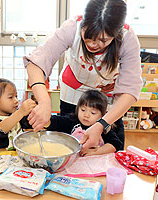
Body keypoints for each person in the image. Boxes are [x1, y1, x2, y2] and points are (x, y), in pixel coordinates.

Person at [23, 0, 142, 152]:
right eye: (89, 35)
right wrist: (44, 102)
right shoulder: (72, 27)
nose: (93, 44)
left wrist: (102, 124)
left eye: (103, 40)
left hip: (106, 96)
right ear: (83, 23)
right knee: (70, 144)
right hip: (73, 91)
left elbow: (130, 90)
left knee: (113, 147)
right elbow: (36, 63)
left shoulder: (127, 37)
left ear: (116, 34)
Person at [45, 90, 123, 156]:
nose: (86, 115)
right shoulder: (72, 120)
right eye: (83, 110)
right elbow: (56, 122)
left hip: (94, 162)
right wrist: (45, 120)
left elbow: (115, 145)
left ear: (102, 116)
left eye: (93, 113)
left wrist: (93, 152)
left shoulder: (103, 128)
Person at [0, 78, 36, 149]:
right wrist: (20, 112)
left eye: (16, 96)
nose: (16, 101)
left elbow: (31, 123)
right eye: (11, 97)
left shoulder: (19, 116)